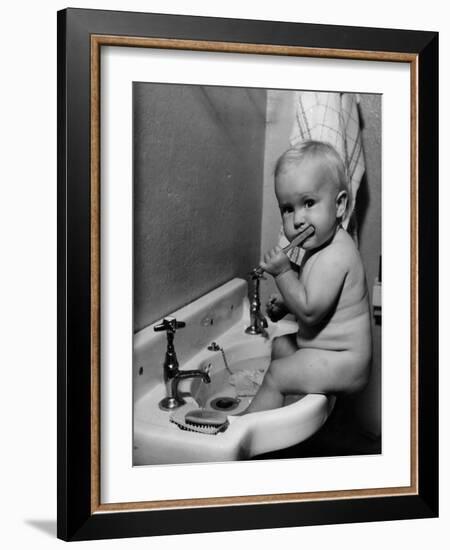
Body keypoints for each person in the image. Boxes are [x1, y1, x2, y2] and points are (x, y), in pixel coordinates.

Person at [244, 141, 372, 414]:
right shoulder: (317, 248)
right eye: (288, 208)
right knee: (280, 346)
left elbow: (312, 311)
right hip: (327, 354)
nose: (298, 219)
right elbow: (316, 296)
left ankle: (245, 426)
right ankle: (277, 408)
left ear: (339, 206)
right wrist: (286, 302)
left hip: (344, 361)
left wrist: (283, 272)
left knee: (277, 374)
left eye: (309, 203)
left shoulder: (336, 254)